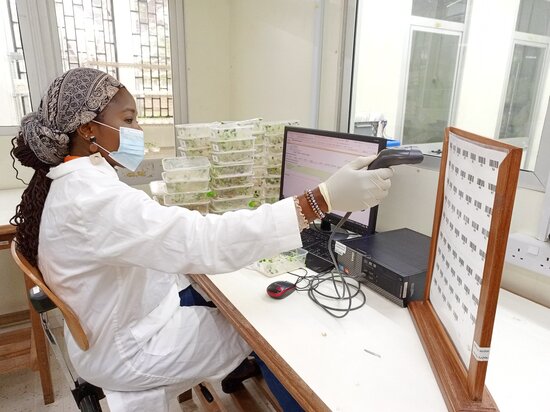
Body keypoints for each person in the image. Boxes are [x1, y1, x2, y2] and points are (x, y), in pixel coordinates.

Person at [10, 68, 393, 410]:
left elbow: (173, 236)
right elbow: (202, 241)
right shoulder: (92, 200)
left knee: (220, 294)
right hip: (128, 351)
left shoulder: (76, 182)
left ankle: (239, 371)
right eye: (128, 119)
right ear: (88, 129)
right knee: (267, 332)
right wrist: (318, 200)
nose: (139, 131)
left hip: (113, 327)